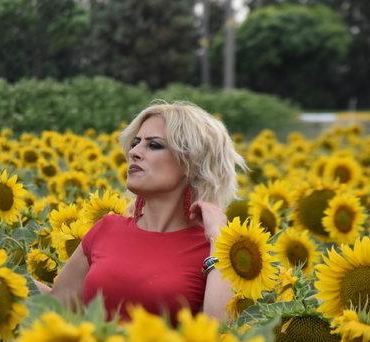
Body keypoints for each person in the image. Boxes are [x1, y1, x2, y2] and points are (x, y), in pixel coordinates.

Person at [35, 101, 246, 322]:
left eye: (153, 145)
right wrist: (3, 274)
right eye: (135, 143)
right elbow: (56, 306)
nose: (134, 152)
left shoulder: (212, 248)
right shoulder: (106, 229)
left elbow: (221, 330)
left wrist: (219, 239)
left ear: (190, 163)